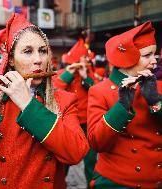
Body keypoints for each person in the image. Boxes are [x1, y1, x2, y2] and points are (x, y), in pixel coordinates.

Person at [0, 13, 89, 189]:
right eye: (27, 51)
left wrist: (28, 103)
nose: (38, 60)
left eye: (42, 51)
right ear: (11, 59)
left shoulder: (64, 100)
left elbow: (76, 153)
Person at [87, 21, 162, 189]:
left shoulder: (159, 87)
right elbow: (97, 144)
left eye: (154, 55)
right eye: (147, 55)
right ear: (129, 57)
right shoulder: (101, 91)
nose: (154, 62)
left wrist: (156, 101)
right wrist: (121, 108)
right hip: (116, 183)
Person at [53, 38, 96, 186]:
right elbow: (55, 89)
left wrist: (86, 77)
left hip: (87, 123)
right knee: (63, 160)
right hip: (68, 123)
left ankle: (91, 184)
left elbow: (96, 91)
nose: (87, 59)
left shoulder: (89, 72)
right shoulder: (63, 72)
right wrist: (69, 74)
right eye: (84, 57)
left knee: (91, 160)